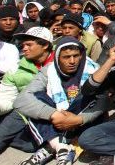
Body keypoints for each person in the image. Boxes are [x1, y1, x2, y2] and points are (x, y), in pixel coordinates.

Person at [13, 36, 103, 165]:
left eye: (76, 56)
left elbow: (104, 101)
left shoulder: (93, 69)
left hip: (82, 118)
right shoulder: (49, 70)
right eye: (66, 57)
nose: (72, 61)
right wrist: (54, 114)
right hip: (57, 119)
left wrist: (79, 119)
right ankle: (61, 147)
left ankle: (51, 147)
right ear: (57, 58)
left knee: (89, 94)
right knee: (36, 97)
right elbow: (21, 100)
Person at [0, 27, 54, 164]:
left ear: (45, 45)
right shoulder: (16, 68)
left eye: (29, 44)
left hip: (54, 114)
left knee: (28, 145)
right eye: (23, 45)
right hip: (22, 113)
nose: (24, 48)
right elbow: (6, 99)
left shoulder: (63, 61)